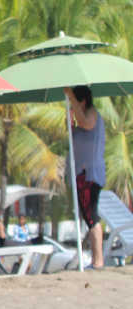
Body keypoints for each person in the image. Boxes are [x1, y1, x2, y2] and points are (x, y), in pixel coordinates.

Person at [67, 84, 106, 269]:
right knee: (88, 216)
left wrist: (70, 96)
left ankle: (98, 261)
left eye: (74, 102)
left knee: (92, 216)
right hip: (82, 175)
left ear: (81, 101)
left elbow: (86, 124)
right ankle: (95, 259)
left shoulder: (92, 114)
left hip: (89, 174)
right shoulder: (81, 119)